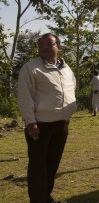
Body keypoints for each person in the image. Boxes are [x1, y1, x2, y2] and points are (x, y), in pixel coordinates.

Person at [18, 33, 77, 203]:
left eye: (49, 44)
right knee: (38, 166)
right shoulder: (31, 68)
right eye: (41, 44)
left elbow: (71, 88)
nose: (44, 47)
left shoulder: (66, 68)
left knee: (52, 165)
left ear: (58, 47)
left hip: (61, 124)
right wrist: (30, 122)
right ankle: (38, 200)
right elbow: (25, 97)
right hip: (40, 126)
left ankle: (46, 197)